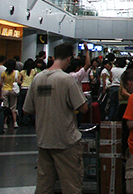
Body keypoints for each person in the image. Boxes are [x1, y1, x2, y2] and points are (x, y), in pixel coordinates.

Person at [23, 43, 89, 194]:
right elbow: (83, 108)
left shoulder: (37, 78)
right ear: (69, 58)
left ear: (53, 57)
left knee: (44, 186)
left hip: (44, 140)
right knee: (71, 186)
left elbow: (27, 109)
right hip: (66, 141)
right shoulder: (67, 79)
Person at [17, 59, 37, 125]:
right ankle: (29, 120)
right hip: (30, 89)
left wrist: (22, 82)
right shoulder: (34, 71)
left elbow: (18, 81)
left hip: (23, 89)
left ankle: (20, 119)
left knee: (20, 105)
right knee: (30, 105)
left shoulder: (22, 72)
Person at [1, 58, 19, 128]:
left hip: (5, 90)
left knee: (5, 107)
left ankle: (5, 123)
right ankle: (15, 122)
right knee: (13, 107)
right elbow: (17, 81)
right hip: (12, 90)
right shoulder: (16, 73)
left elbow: (1, 83)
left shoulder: (4, 73)